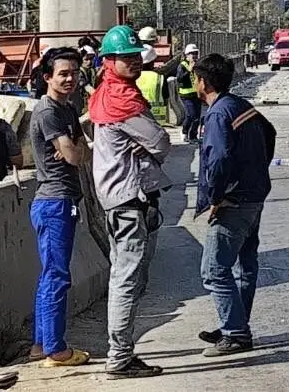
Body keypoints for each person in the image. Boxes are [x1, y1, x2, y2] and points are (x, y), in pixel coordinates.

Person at [90, 25, 172, 380]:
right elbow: (161, 143)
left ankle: (122, 353)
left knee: (128, 277)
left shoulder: (112, 93)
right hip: (129, 200)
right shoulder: (120, 100)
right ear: (109, 61)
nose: (134, 62)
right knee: (127, 278)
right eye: (125, 57)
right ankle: (119, 356)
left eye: (136, 56)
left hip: (124, 198)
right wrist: (148, 144)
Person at [195, 52, 275, 358]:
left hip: (234, 201)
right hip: (254, 195)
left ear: (202, 82)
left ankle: (235, 332)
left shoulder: (217, 114)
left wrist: (216, 198)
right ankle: (234, 322)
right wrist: (255, 172)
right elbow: (270, 134)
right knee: (244, 266)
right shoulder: (242, 106)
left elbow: (217, 160)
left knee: (214, 270)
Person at [28, 49, 90, 368]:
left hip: (62, 200)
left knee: (50, 274)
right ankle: (56, 349)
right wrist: (70, 146)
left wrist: (71, 145)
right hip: (54, 202)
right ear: (47, 77)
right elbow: (76, 156)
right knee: (57, 277)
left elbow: (81, 149)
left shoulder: (68, 108)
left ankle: (41, 343)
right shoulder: (48, 112)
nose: (70, 78)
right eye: (63, 73)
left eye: (74, 73)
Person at [175, 43, 202, 144]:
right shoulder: (182, 65)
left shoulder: (198, 65)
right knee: (192, 115)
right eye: (192, 54)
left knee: (196, 117)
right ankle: (185, 132)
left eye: (196, 53)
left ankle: (193, 136)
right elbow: (179, 78)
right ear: (187, 55)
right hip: (186, 95)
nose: (194, 56)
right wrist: (189, 70)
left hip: (196, 94)